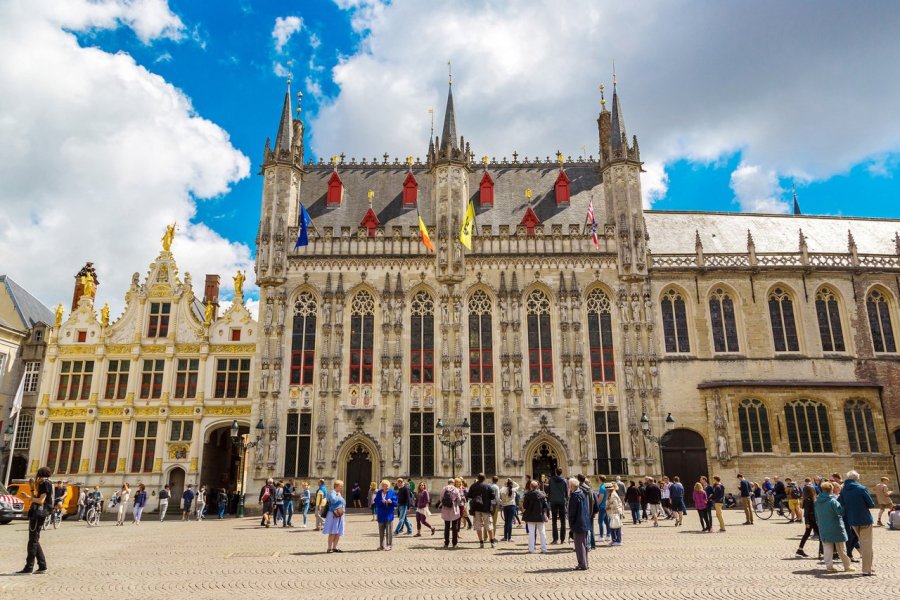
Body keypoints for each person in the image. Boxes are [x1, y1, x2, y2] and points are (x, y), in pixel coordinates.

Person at [839, 470, 875, 576]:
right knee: (867, 544)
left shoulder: (843, 490)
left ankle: (870, 566)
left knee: (864, 543)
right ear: (857, 478)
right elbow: (871, 504)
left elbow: (841, 503)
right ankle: (866, 569)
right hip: (864, 519)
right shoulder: (861, 489)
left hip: (853, 520)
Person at [18, 466, 53, 574]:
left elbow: (41, 501)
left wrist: (28, 497)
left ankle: (29, 567)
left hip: (38, 514)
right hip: (37, 513)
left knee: (32, 541)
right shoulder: (45, 483)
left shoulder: (45, 483)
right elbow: (37, 498)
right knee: (34, 539)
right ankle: (42, 566)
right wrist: (32, 489)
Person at [814, 481, 854, 573]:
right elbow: (840, 512)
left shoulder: (817, 501)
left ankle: (829, 567)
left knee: (827, 548)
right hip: (836, 527)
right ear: (831, 490)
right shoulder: (832, 501)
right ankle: (847, 566)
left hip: (823, 527)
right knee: (841, 549)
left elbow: (816, 515)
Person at [467, 472, 496, 548]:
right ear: (484, 478)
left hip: (476, 508)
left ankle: (481, 543)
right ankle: (492, 542)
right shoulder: (488, 486)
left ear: (477, 478)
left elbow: (469, 496)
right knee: (489, 525)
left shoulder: (473, 486)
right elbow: (493, 497)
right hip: (486, 508)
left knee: (478, 526)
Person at [568, 478, 590, 570]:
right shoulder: (581, 493)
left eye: (569, 484)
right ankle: (585, 563)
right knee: (583, 544)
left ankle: (582, 564)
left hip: (578, 523)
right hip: (584, 522)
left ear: (572, 486)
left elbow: (572, 512)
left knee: (579, 545)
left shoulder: (574, 496)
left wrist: (571, 525)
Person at [522, 480, 549, 554]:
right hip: (540, 516)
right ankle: (544, 549)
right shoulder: (542, 494)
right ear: (538, 486)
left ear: (531, 486)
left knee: (531, 533)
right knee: (542, 533)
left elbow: (525, 506)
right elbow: (546, 506)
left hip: (530, 517)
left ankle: (531, 549)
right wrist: (545, 514)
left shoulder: (527, 495)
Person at [796, 484, 822, 558]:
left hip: (812, 519)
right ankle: (821, 551)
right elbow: (806, 512)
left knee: (807, 534)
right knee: (820, 535)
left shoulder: (811, 499)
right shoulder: (808, 500)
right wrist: (807, 522)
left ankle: (800, 549)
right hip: (811, 520)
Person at [373, 479, 398, 550]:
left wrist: (391, 502)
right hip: (381, 514)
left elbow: (396, 503)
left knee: (389, 531)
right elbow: (376, 502)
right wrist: (382, 502)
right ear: (382, 486)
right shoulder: (379, 493)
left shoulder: (392, 492)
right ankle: (381, 545)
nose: (386, 487)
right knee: (381, 531)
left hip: (389, 514)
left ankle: (389, 545)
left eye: (387, 486)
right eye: (384, 486)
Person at [323, 480, 346, 553]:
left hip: (339, 514)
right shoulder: (332, 493)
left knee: (338, 532)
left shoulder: (338, 493)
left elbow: (344, 502)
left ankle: (334, 547)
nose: (341, 488)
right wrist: (339, 498)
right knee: (333, 531)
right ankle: (329, 548)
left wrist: (343, 508)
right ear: (336, 486)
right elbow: (333, 501)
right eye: (340, 486)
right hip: (333, 514)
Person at [440, 478, 463, 549]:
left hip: (445, 510)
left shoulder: (444, 489)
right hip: (454, 510)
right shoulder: (456, 489)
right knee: (454, 527)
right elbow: (459, 500)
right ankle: (454, 543)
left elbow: (441, 499)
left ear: (448, 482)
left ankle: (446, 543)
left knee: (446, 527)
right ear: (453, 483)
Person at [548, 467, 568, 544]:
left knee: (554, 521)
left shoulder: (551, 480)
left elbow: (549, 490)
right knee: (563, 521)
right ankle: (562, 539)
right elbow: (566, 492)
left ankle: (555, 539)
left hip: (553, 502)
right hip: (562, 502)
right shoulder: (564, 481)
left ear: (556, 472)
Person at [606, 481, 624, 546]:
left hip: (615, 512)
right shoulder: (611, 494)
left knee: (616, 526)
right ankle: (614, 540)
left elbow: (616, 505)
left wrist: (608, 507)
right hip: (612, 513)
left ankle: (618, 540)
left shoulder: (613, 495)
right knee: (612, 527)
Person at [596, 476, 610, 541]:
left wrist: (597, 505)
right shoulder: (606, 486)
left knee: (600, 522)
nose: (597, 480)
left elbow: (600, 499)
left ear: (600, 479)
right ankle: (608, 535)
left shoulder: (601, 488)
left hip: (602, 507)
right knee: (607, 522)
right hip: (606, 506)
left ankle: (601, 536)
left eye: (598, 479)